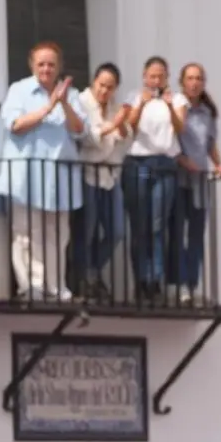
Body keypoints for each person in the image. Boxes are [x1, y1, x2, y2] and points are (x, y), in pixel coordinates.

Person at [0, 41, 88, 302]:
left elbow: (80, 130)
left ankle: (56, 286)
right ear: (32, 65)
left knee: (58, 233)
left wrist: (65, 103)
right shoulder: (19, 90)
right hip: (27, 174)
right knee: (25, 232)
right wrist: (48, 107)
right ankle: (30, 286)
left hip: (60, 176)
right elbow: (15, 124)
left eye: (51, 64)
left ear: (59, 67)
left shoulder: (74, 94)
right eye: (41, 64)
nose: (46, 69)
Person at [122, 56, 186, 302]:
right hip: (141, 163)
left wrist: (169, 105)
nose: (156, 80)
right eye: (152, 76)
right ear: (144, 76)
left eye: (160, 76)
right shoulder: (134, 97)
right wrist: (140, 103)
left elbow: (180, 129)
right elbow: (129, 127)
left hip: (165, 165)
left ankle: (154, 279)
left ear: (167, 77)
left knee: (157, 224)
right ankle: (140, 279)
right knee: (140, 223)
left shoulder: (177, 100)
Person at [71, 62, 131, 302]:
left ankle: (92, 270)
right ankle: (84, 277)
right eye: (101, 85)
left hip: (111, 175)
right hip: (87, 173)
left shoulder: (115, 107)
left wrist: (122, 127)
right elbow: (88, 139)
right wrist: (114, 127)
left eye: (110, 87)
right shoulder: (82, 102)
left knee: (116, 231)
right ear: (93, 82)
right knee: (87, 230)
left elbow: (125, 139)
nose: (104, 91)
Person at [170, 63, 221, 305]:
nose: (194, 83)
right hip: (178, 179)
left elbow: (210, 144)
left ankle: (192, 285)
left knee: (196, 235)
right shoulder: (175, 107)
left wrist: (219, 165)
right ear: (182, 82)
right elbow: (170, 140)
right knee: (177, 233)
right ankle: (180, 284)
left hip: (200, 181)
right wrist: (182, 160)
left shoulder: (207, 113)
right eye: (190, 78)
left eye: (198, 78)